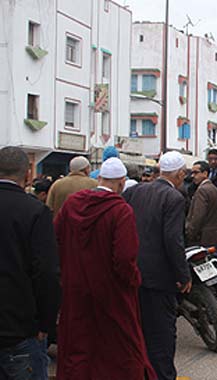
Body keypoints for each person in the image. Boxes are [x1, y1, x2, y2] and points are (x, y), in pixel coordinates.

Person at [55, 158, 156, 380]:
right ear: (121, 183)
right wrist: (132, 282)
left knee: (79, 345)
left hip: (76, 290)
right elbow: (125, 258)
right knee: (117, 349)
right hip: (111, 293)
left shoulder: (71, 204)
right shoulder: (121, 211)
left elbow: (57, 240)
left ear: (99, 179)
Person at [123, 151, 192, 380]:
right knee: (161, 336)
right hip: (159, 278)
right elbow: (173, 240)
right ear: (180, 174)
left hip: (133, 273)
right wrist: (183, 275)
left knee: (138, 331)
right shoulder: (174, 198)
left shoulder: (135, 191)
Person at [0, 147, 60, 380]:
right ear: (27, 175)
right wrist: (46, 323)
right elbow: (46, 273)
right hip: (21, 327)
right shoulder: (35, 211)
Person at [186, 161, 217, 249]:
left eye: (196, 173)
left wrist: (190, 233)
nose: (192, 176)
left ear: (205, 173)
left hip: (202, 238)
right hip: (214, 235)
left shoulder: (202, 190)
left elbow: (198, 216)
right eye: (192, 173)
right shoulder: (215, 189)